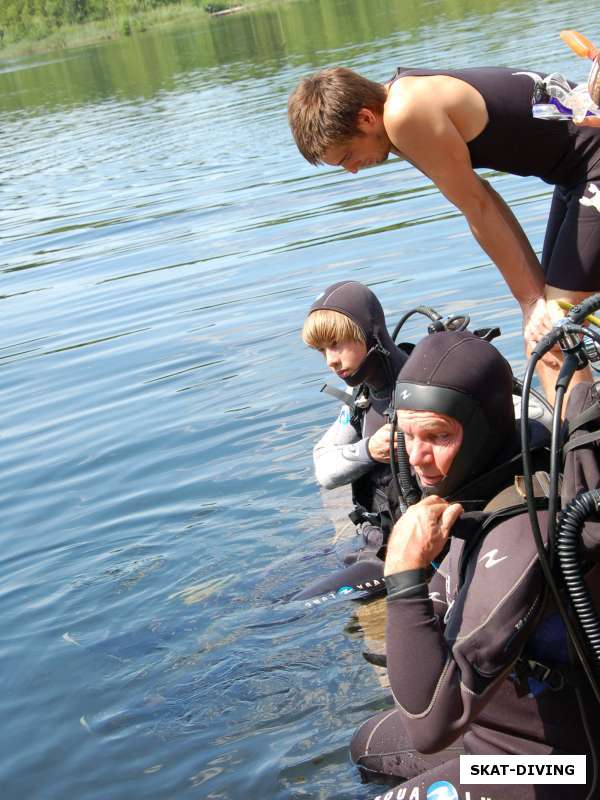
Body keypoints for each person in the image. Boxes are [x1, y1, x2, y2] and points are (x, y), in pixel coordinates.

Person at [347, 330, 599, 800]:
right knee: (366, 745)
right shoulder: (477, 488)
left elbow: (428, 726)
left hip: (555, 769)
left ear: (482, 429)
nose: (417, 457)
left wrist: (404, 577)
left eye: (438, 436)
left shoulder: (522, 534)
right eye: (408, 434)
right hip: (488, 735)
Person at [287, 64, 600, 404]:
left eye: (348, 156)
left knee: (548, 336)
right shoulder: (397, 104)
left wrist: (530, 303)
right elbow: (484, 198)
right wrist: (531, 297)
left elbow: (478, 206)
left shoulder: (406, 115)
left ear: (365, 118)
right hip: (575, 174)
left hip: (592, 164)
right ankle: (580, 438)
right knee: (549, 329)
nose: (352, 169)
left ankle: (578, 451)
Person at [295, 280, 409, 599]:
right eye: (322, 351)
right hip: (374, 541)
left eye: (336, 344)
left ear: (368, 332)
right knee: (266, 584)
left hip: (404, 554)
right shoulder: (361, 396)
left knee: (292, 607)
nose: (330, 361)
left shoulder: (428, 383)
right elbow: (324, 468)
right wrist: (369, 450)